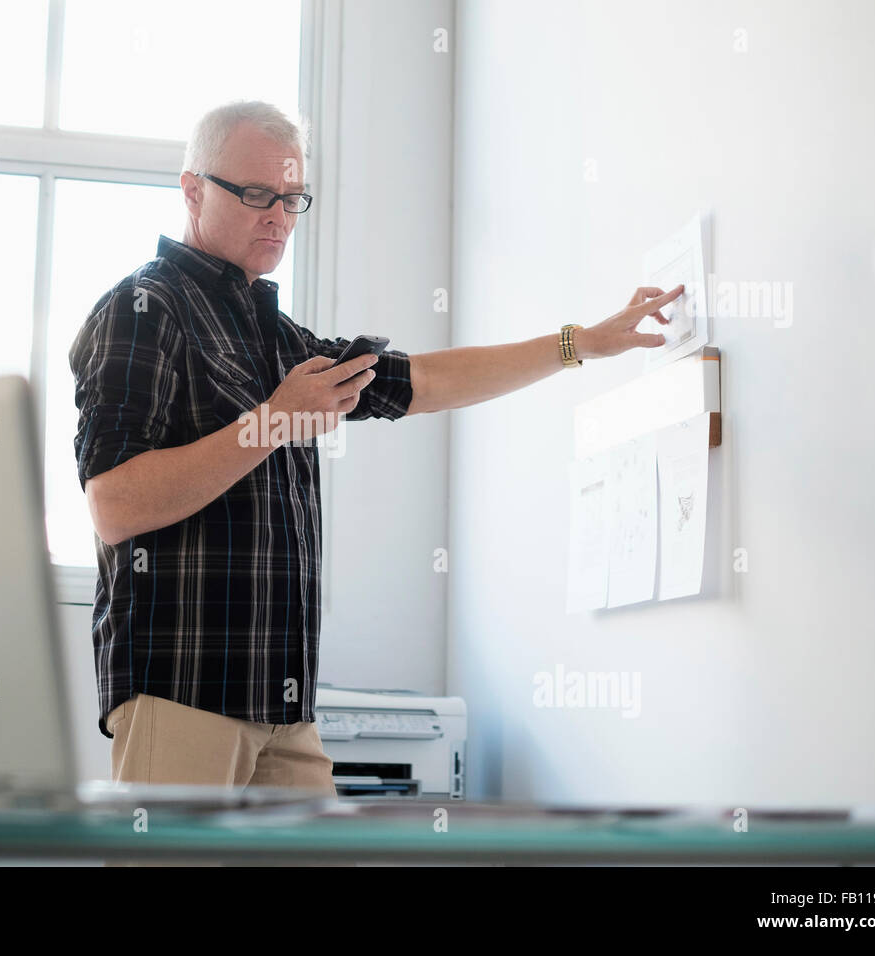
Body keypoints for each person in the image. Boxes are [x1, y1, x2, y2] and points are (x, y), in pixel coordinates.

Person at [68, 100, 681, 795]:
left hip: (285, 708)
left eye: (293, 197)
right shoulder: (143, 308)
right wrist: (273, 420)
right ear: (192, 189)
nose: (278, 216)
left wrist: (581, 344)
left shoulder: (279, 337)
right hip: (179, 690)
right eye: (256, 195)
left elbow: (421, 380)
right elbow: (115, 504)